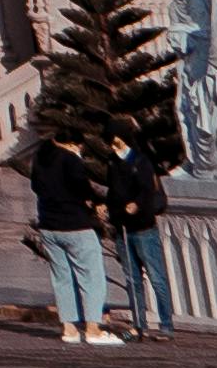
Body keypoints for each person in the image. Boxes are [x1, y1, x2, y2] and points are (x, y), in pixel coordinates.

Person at [26, 118, 118, 343]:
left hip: (49, 225)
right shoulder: (70, 160)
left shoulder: (40, 158)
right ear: (72, 144)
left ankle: (69, 328)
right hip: (75, 225)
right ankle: (93, 328)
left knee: (62, 277)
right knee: (91, 276)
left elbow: (35, 186)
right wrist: (95, 202)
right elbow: (81, 187)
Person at [101, 134, 172, 336]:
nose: (113, 145)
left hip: (144, 228)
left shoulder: (141, 160)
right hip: (122, 229)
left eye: (117, 140)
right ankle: (139, 324)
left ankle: (166, 325)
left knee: (156, 277)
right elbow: (113, 192)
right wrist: (107, 208)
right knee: (132, 280)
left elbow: (147, 189)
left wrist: (138, 205)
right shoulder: (112, 162)